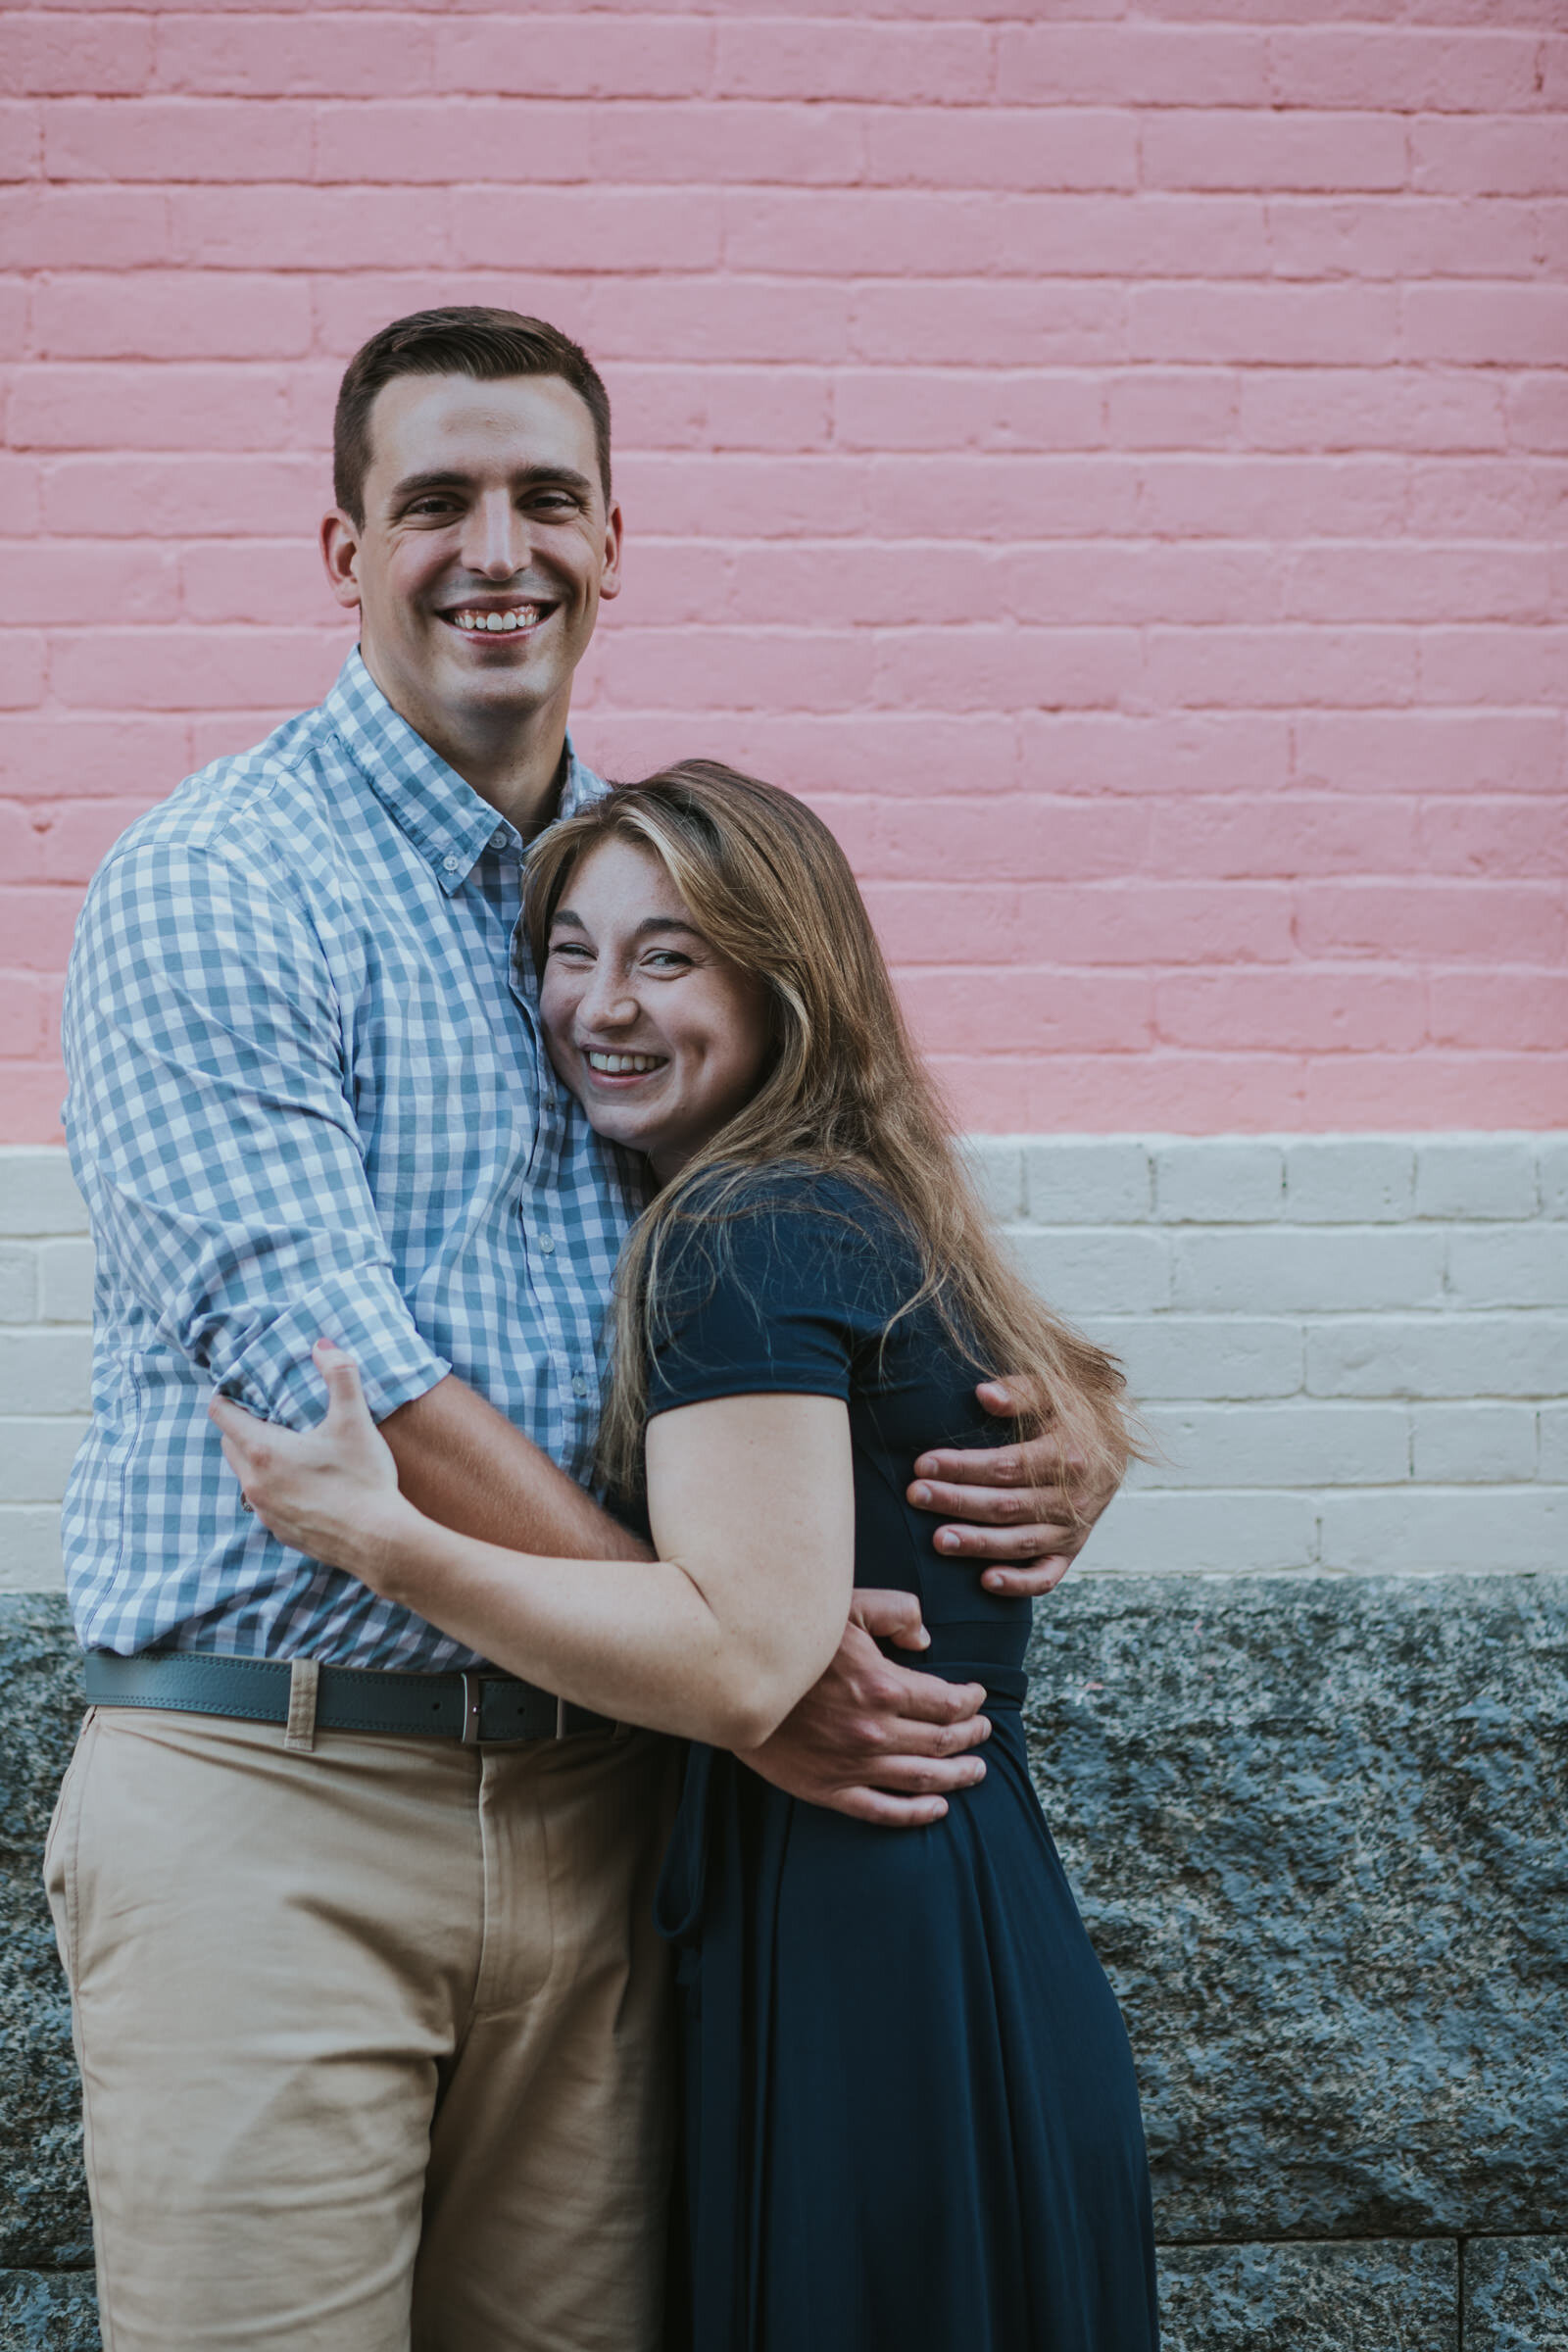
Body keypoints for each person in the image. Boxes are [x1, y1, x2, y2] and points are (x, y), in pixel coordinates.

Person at [48, 307, 1123, 2352]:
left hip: (609, 1822)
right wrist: (732, 1667)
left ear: (614, 538)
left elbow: (844, 1182)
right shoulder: (222, 882)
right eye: (432, 499)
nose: (494, 547)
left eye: (543, 497)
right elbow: (338, 1378)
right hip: (283, 1803)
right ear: (340, 548)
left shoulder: (648, 885)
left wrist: (1048, 1422)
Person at [215, 760, 1160, 2352]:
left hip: (859, 1922)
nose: (602, 1005)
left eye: (669, 956)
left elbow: (740, 1657)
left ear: (784, 978)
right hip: (954, 1904)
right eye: (569, 953)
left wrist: (386, 1540)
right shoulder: (856, 1204)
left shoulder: (738, 1233)